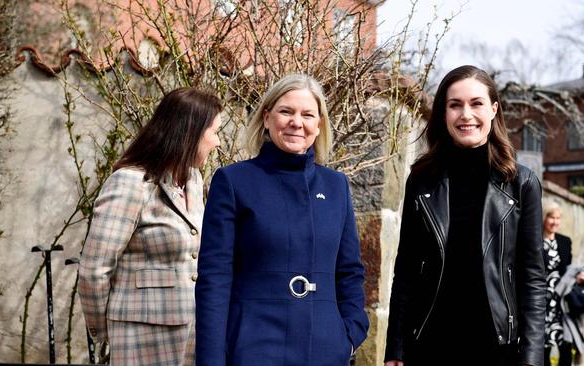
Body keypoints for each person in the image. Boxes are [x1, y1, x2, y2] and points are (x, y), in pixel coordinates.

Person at [195, 73, 369, 366]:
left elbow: (349, 270)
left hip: (325, 350)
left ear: (319, 124)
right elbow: (215, 278)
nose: (296, 122)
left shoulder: (335, 185)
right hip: (253, 348)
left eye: (307, 115)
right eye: (286, 111)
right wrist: (212, 358)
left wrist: (350, 336)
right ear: (266, 118)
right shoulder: (233, 181)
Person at [384, 65, 546, 366]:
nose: (465, 115)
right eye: (455, 105)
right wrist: (395, 347)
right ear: (444, 113)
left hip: (497, 347)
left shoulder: (521, 182)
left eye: (476, 103)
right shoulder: (422, 180)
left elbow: (533, 278)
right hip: (430, 344)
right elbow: (405, 270)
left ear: (494, 109)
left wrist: (533, 357)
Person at [78, 87, 223, 365]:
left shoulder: (192, 180)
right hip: (139, 335)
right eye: (214, 132)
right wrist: (105, 330)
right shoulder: (130, 183)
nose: (217, 142)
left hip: (191, 333)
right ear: (190, 132)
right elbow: (94, 269)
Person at [542, 200, 584, 366]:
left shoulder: (564, 241)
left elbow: (567, 269)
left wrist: (577, 276)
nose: (555, 222)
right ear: (543, 218)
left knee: (566, 346)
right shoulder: (534, 240)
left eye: (558, 218)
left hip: (562, 304)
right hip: (542, 304)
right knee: (543, 348)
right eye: (551, 217)